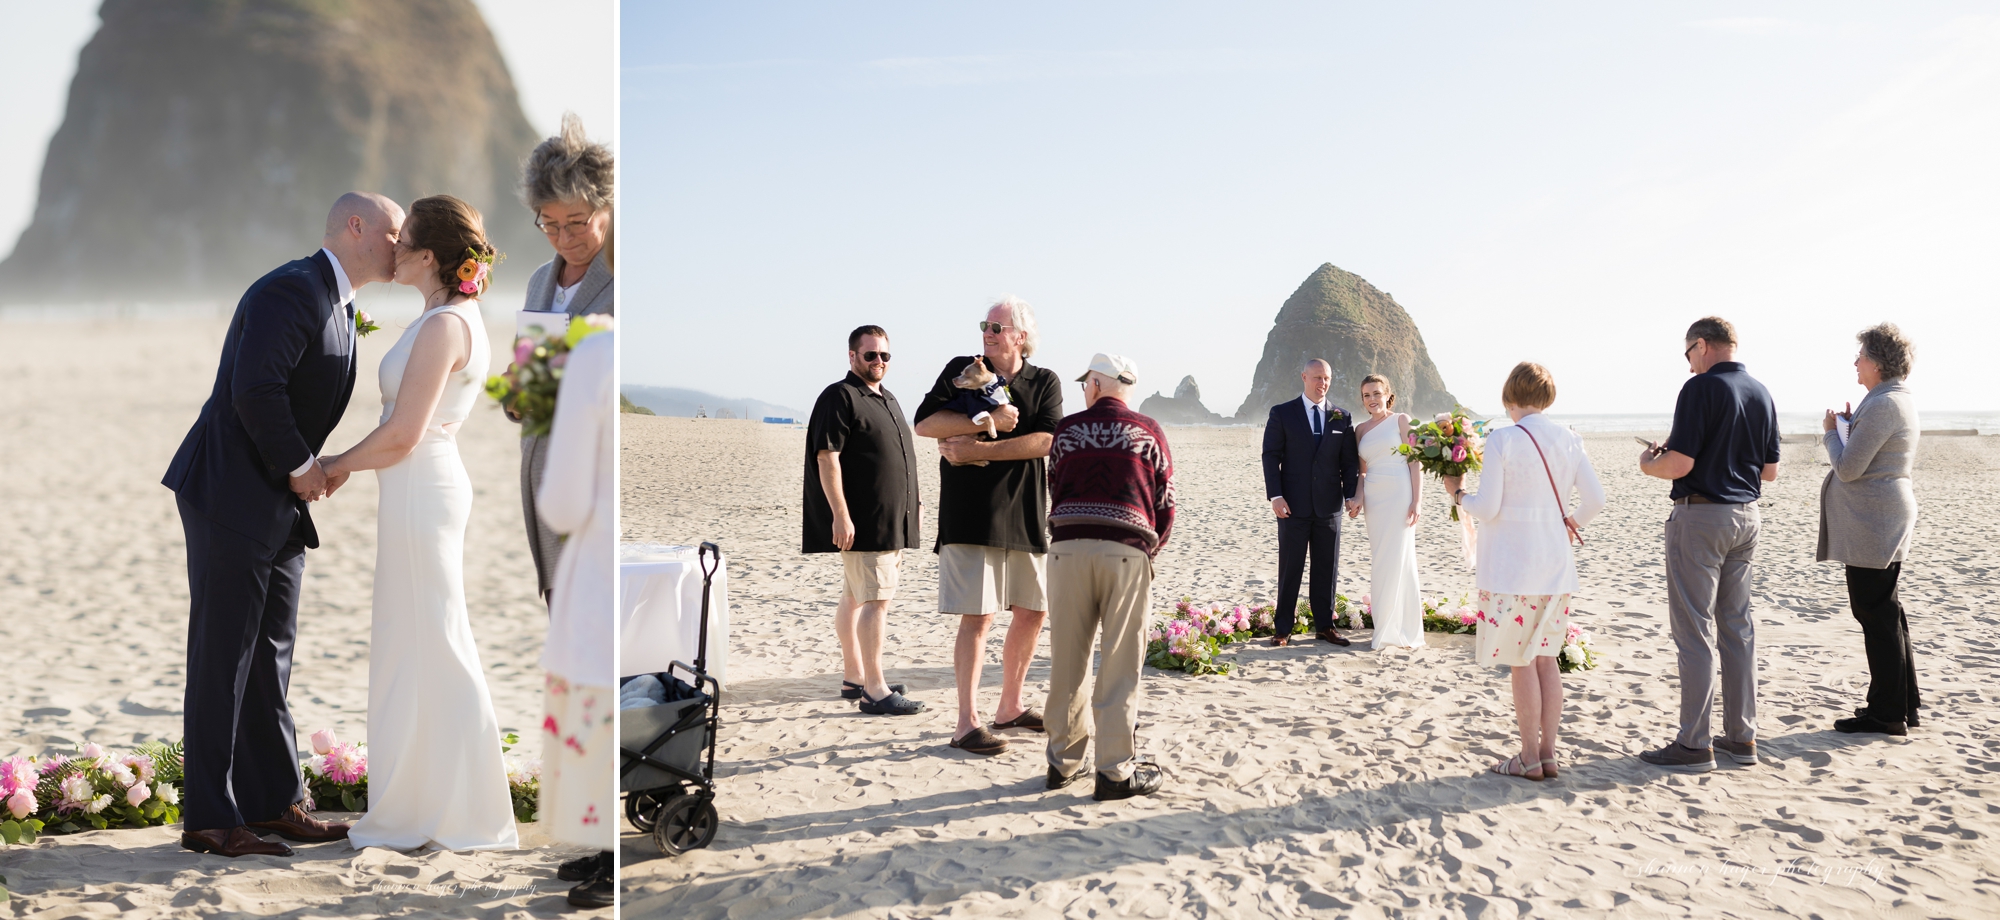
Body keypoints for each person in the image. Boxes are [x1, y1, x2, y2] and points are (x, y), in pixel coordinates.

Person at [162, 191, 401, 858]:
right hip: (232, 493)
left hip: (276, 503)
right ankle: (211, 816)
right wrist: (302, 466)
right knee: (223, 657)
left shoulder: (340, 299)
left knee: (270, 656)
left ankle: (272, 802)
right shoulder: (291, 290)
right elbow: (255, 389)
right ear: (357, 226)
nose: (400, 243)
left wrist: (304, 474)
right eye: (394, 231)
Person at [321, 195, 518, 851]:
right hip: (416, 487)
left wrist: (336, 464)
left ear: (428, 256)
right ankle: (425, 803)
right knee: (417, 643)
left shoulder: (444, 328)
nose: (391, 249)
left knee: (433, 643)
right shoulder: (447, 317)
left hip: (421, 486)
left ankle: (461, 812)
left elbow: (404, 434)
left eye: (402, 241)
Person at [913, 296, 1063, 756]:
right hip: (970, 514)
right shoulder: (962, 368)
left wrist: (980, 447)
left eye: (996, 327)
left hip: (1025, 514)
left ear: (1021, 336)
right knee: (977, 617)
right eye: (985, 325)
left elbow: (1046, 440)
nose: (987, 332)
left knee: (1033, 612)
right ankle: (965, 723)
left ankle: (1010, 706)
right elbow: (926, 423)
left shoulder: (1046, 381)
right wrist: (986, 420)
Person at [1444, 363, 1605, 781]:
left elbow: (1489, 506)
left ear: (1511, 396)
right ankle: (1548, 754)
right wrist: (1571, 522)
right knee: (1546, 660)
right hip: (1555, 566)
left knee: (1520, 662)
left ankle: (1529, 756)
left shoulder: (1503, 439)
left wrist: (1459, 493)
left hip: (1510, 569)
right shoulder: (1571, 439)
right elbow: (1595, 501)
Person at [1636, 316, 1780, 773]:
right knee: (1737, 628)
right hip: (1747, 516)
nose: (1689, 364)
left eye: (1688, 354)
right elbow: (1770, 471)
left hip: (1702, 516)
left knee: (1693, 630)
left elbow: (1680, 463)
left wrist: (1648, 463)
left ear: (1701, 345)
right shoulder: (1761, 391)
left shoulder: (1698, 389)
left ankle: (1695, 744)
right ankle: (1742, 737)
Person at [1041, 354, 1175, 800]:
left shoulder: (1066, 430)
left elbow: (1054, 485)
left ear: (1097, 385)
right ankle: (1115, 772)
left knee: (1068, 660)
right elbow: (1165, 503)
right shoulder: (1150, 431)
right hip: (1125, 554)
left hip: (1065, 553)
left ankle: (1063, 763)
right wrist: (1148, 547)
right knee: (1120, 665)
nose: (1084, 389)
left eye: (1086, 383)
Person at [534, 322, 617, 907]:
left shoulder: (597, 353)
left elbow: (561, 504)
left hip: (596, 559)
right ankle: (604, 846)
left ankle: (608, 853)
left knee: (598, 707)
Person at [515, 113, 615, 604]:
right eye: (549, 225)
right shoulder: (539, 281)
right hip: (539, 481)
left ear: (607, 208)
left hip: (592, 491)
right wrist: (520, 391)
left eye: (577, 222)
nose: (563, 238)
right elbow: (533, 392)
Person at [804, 325, 925, 716]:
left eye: (884, 356)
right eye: (870, 355)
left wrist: (914, 503)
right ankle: (875, 690)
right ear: (852, 356)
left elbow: (898, 457)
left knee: (855, 596)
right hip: (865, 522)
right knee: (877, 601)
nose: (878, 362)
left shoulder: (885, 398)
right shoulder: (840, 396)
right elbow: (827, 457)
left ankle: (855, 676)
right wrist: (840, 514)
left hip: (891, 520)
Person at [1819, 323, 1922, 736]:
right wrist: (1849, 428)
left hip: (1874, 521)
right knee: (1887, 612)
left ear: (1877, 362)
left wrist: (1831, 434)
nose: (1855, 363)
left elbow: (1847, 468)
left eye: (1861, 355)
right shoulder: (1888, 399)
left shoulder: (1883, 404)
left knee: (1875, 614)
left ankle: (1887, 713)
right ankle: (1902, 704)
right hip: (1878, 518)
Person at [1261, 358, 1361, 647]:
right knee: (1290, 567)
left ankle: (1325, 626)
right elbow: (1271, 456)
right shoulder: (1282, 413)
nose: (1322, 383)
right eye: (1317, 377)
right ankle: (1283, 629)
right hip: (1292, 505)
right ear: (1304, 376)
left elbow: (1349, 462)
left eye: (1327, 378)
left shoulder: (1342, 416)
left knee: (1326, 568)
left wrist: (1351, 496)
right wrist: (1275, 495)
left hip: (1330, 507)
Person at [1354, 374, 1424, 649]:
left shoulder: (1401, 420)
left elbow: (1415, 461)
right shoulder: (1359, 430)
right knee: (1381, 558)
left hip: (1399, 493)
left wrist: (1417, 501)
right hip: (1374, 498)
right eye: (1366, 395)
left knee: (1400, 558)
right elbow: (1361, 471)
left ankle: (1402, 629)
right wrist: (1358, 497)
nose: (1372, 399)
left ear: (1387, 395)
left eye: (1376, 394)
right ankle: (1384, 627)